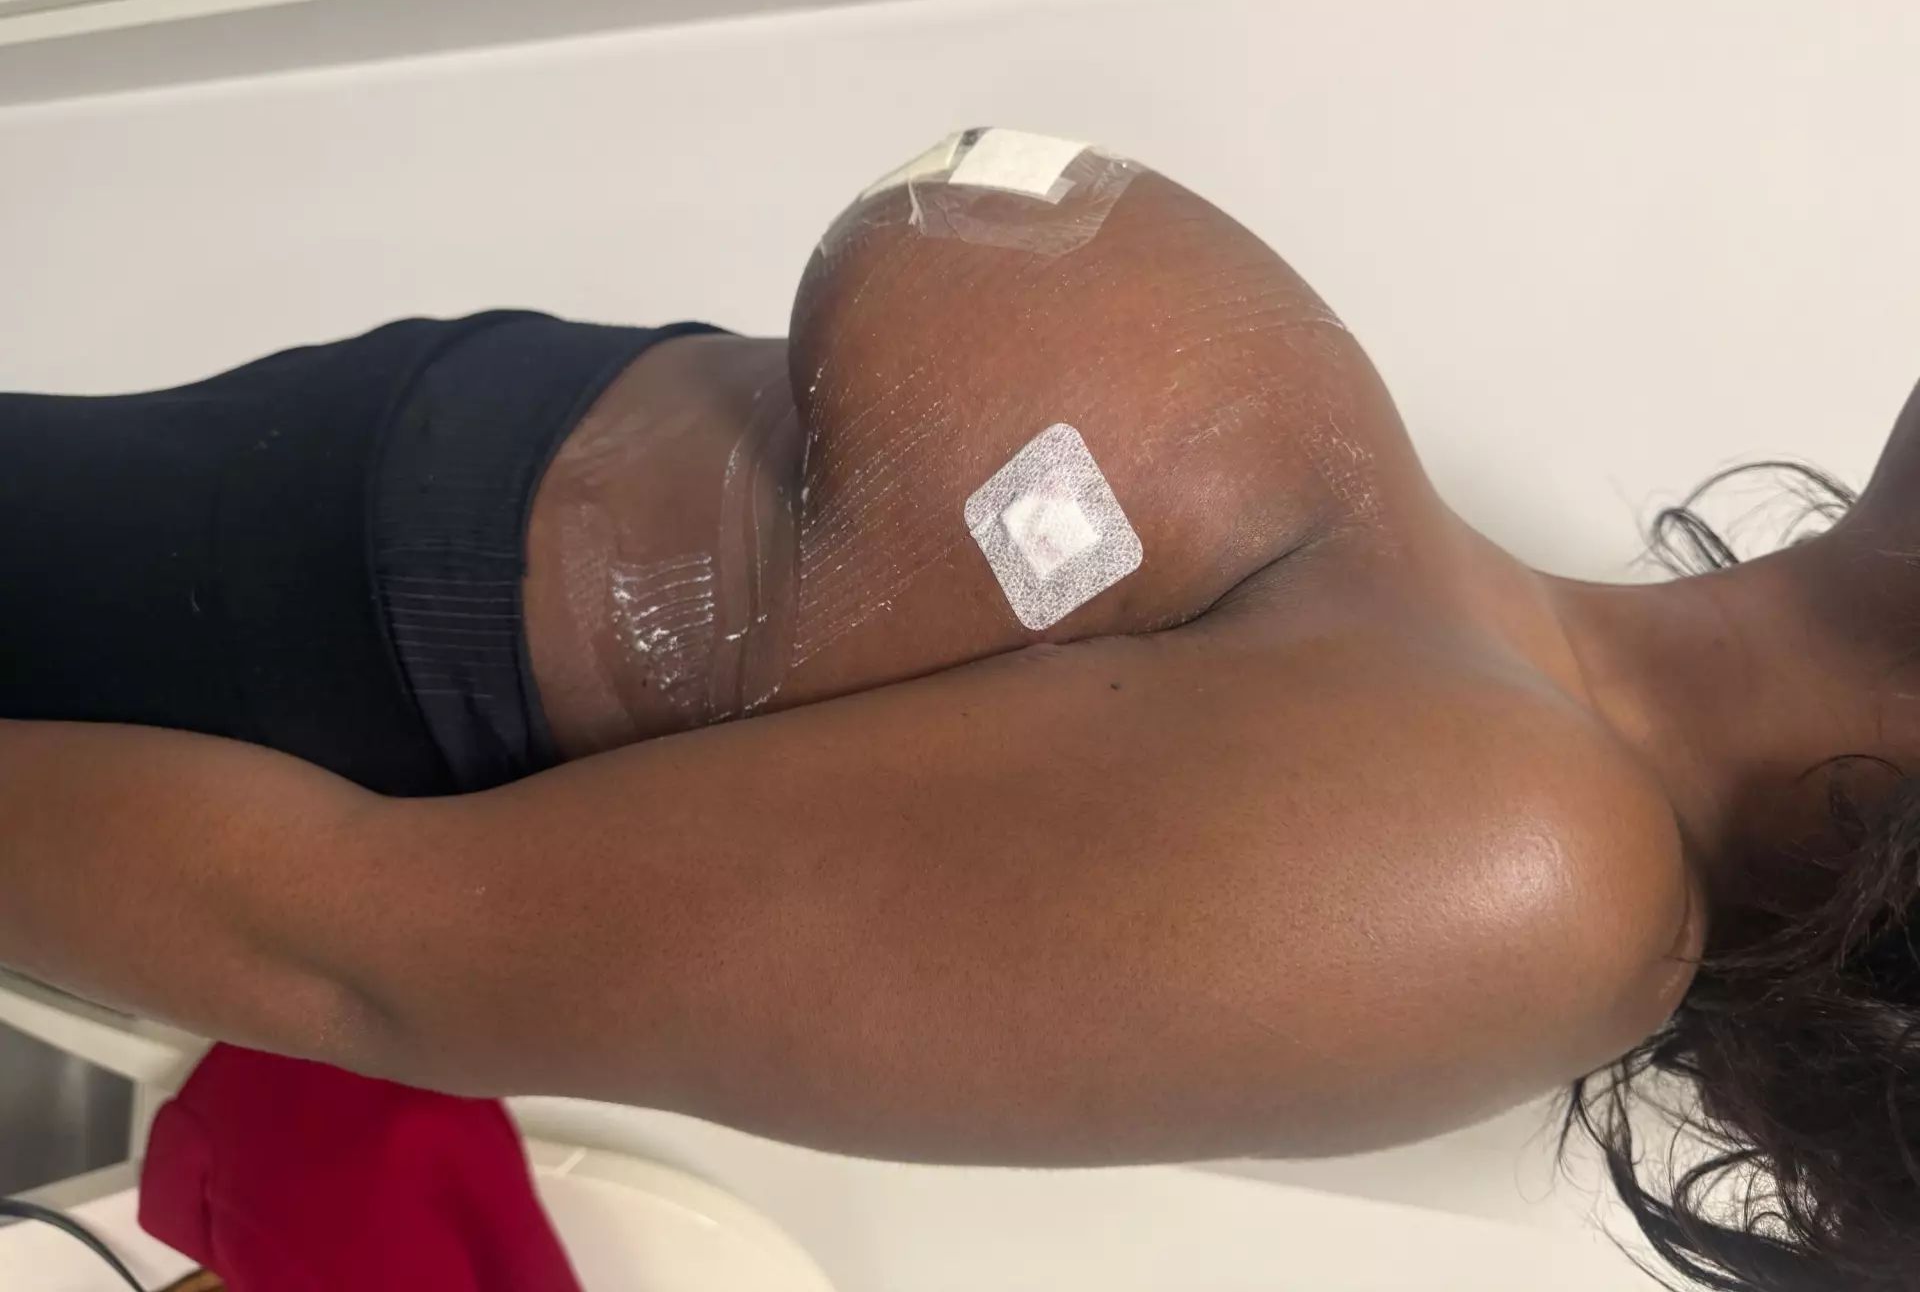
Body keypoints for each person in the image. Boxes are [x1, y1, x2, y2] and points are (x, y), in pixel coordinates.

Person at [1, 129, 1915, 1291]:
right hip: (271, 502)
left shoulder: (1518, 883)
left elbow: (362, 957)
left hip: (231, 670)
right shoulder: (1528, 671)